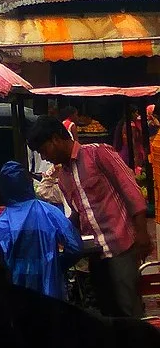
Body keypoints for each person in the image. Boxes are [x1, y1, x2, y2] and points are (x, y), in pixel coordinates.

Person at [28, 115, 150, 318]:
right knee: (107, 312)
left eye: (43, 150)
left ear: (55, 139)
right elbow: (78, 213)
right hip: (96, 253)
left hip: (121, 246)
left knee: (128, 310)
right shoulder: (63, 177)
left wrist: (142, 233)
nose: (45, 157)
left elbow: (131, 191)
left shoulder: (98, 153)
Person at [0, 160, 83, 300]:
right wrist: (58, 266)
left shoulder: (2, 224)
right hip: (51, 292)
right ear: (28, 183)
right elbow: (75, 247)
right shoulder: (50, 212)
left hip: (17, 297)